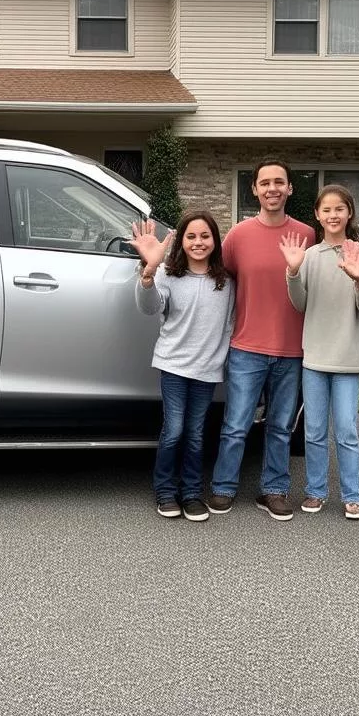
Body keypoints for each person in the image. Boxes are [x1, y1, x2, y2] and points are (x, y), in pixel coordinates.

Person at [207, 159, 315, 521]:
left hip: (291, 350)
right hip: (247, 348)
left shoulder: (306, 235)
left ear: (290, 189)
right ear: (254, 189)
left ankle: (274, 489)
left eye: (279, 182)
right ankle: (223, 487)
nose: (272, 188)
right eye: (265, 183)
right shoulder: (238, 236)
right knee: (235, 425)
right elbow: (218, 281)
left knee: (281, 427)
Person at [130, 211, 235, 522]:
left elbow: (229, 324)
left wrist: (223, 360)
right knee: (174, 430)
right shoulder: (167, 274)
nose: (198, 242)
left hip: (207, 369)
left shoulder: (226, 282)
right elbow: (150, 308)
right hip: (174, 365)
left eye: (205, 236)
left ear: (216, 241)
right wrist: (148, 273)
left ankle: (191, 493)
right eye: (191, 236)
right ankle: (165, 491)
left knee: (195, 433)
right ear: (181, 242)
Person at [280, 185, 359, 519]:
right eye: (326, 210)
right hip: (315, 359)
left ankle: (353, 494)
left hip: (348, 358)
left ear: (349, 213)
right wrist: (292, 272)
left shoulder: (358, 253)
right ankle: (315, 491)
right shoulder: (309, 256)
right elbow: (300, 304)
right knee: (314, 430)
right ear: (317, 215)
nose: (333, 215)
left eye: (339, 209)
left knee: (347, 430)